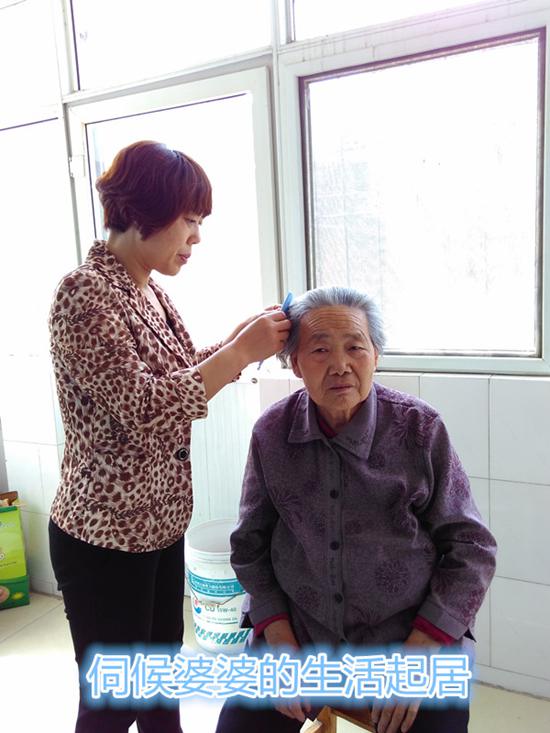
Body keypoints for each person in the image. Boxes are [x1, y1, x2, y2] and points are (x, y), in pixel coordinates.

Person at [48, 140, 291, 733]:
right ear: (142, 212)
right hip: (104, 538)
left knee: (159, 686)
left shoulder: (149, 290)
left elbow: (176, 375)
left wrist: (236, 342)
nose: (197, 237)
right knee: (112, 703)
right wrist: (238, 353)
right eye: (189, 220)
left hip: (155, 527)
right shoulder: (84, 292)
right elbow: (145, 405)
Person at [215, 286, 497, 733]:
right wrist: (280, 640)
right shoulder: (272, 432)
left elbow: (472, 548)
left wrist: (420, 652)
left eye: (355, 347)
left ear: (376, 356)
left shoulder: (420, 429)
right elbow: (249, 546)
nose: (340, 365)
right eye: (320, 350)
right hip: (302, 633)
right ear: (295, 363)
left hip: (407, 637)